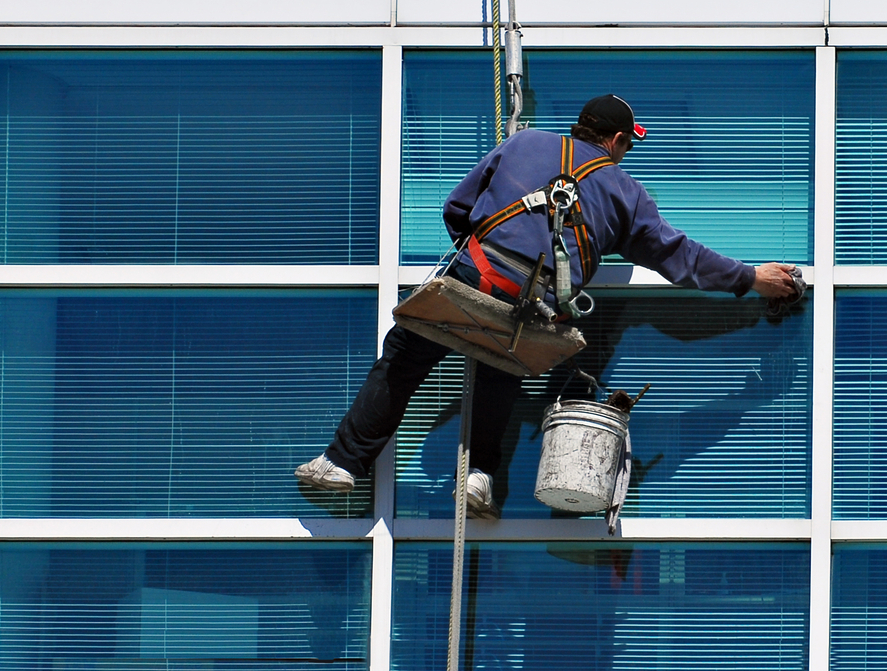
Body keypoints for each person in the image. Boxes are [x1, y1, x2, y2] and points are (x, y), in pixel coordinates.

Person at [295, 93, 803, 515]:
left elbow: (457, 209)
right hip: (530, 304)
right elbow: (677, 258)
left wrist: (481, 255)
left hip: (476, 271)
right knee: (500, 372)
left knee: (403, 364)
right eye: (628, 144)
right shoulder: (626, 193)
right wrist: (750, 278)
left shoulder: (523, 144)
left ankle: (343, 464)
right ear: (618, 141)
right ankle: (477, 479)